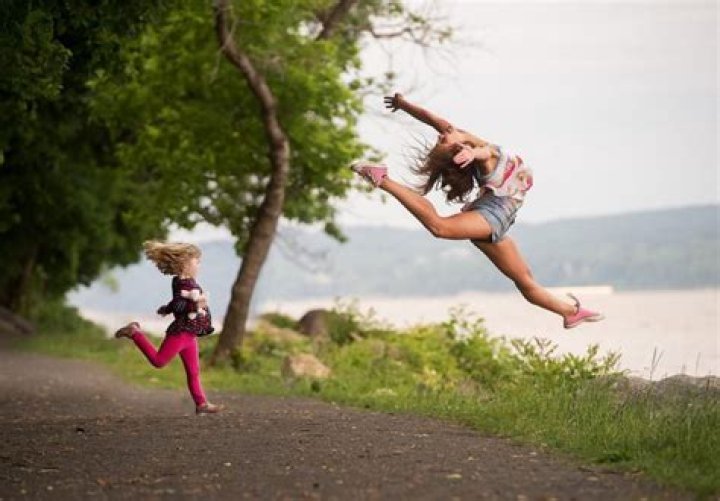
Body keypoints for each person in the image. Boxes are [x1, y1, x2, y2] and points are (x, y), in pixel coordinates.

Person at [351, 93, 604, 329]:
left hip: (498, 219)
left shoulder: (466, 140)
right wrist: (472, 152)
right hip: (492, 215)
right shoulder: (483, 155)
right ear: (458, 150)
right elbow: (484, 154)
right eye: (442, 141)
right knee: (439, 227)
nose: (441, 136)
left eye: (441, 140)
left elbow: (432, 119)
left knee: (525, 281)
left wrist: (404, 104)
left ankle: (570, 312)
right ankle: (382, 179)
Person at [114, 241, 222, 414]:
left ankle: (201, 404)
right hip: (181, 333)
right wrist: (195, 306)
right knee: (158, 361)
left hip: (190, 334)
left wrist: (167, 308)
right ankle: (134, 332)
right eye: (197, 261)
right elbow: (180, 304)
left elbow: (176, 303)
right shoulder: (183, 283)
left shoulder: (187, 281)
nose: (199, 265)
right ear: (185, 263)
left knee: (194, 372)